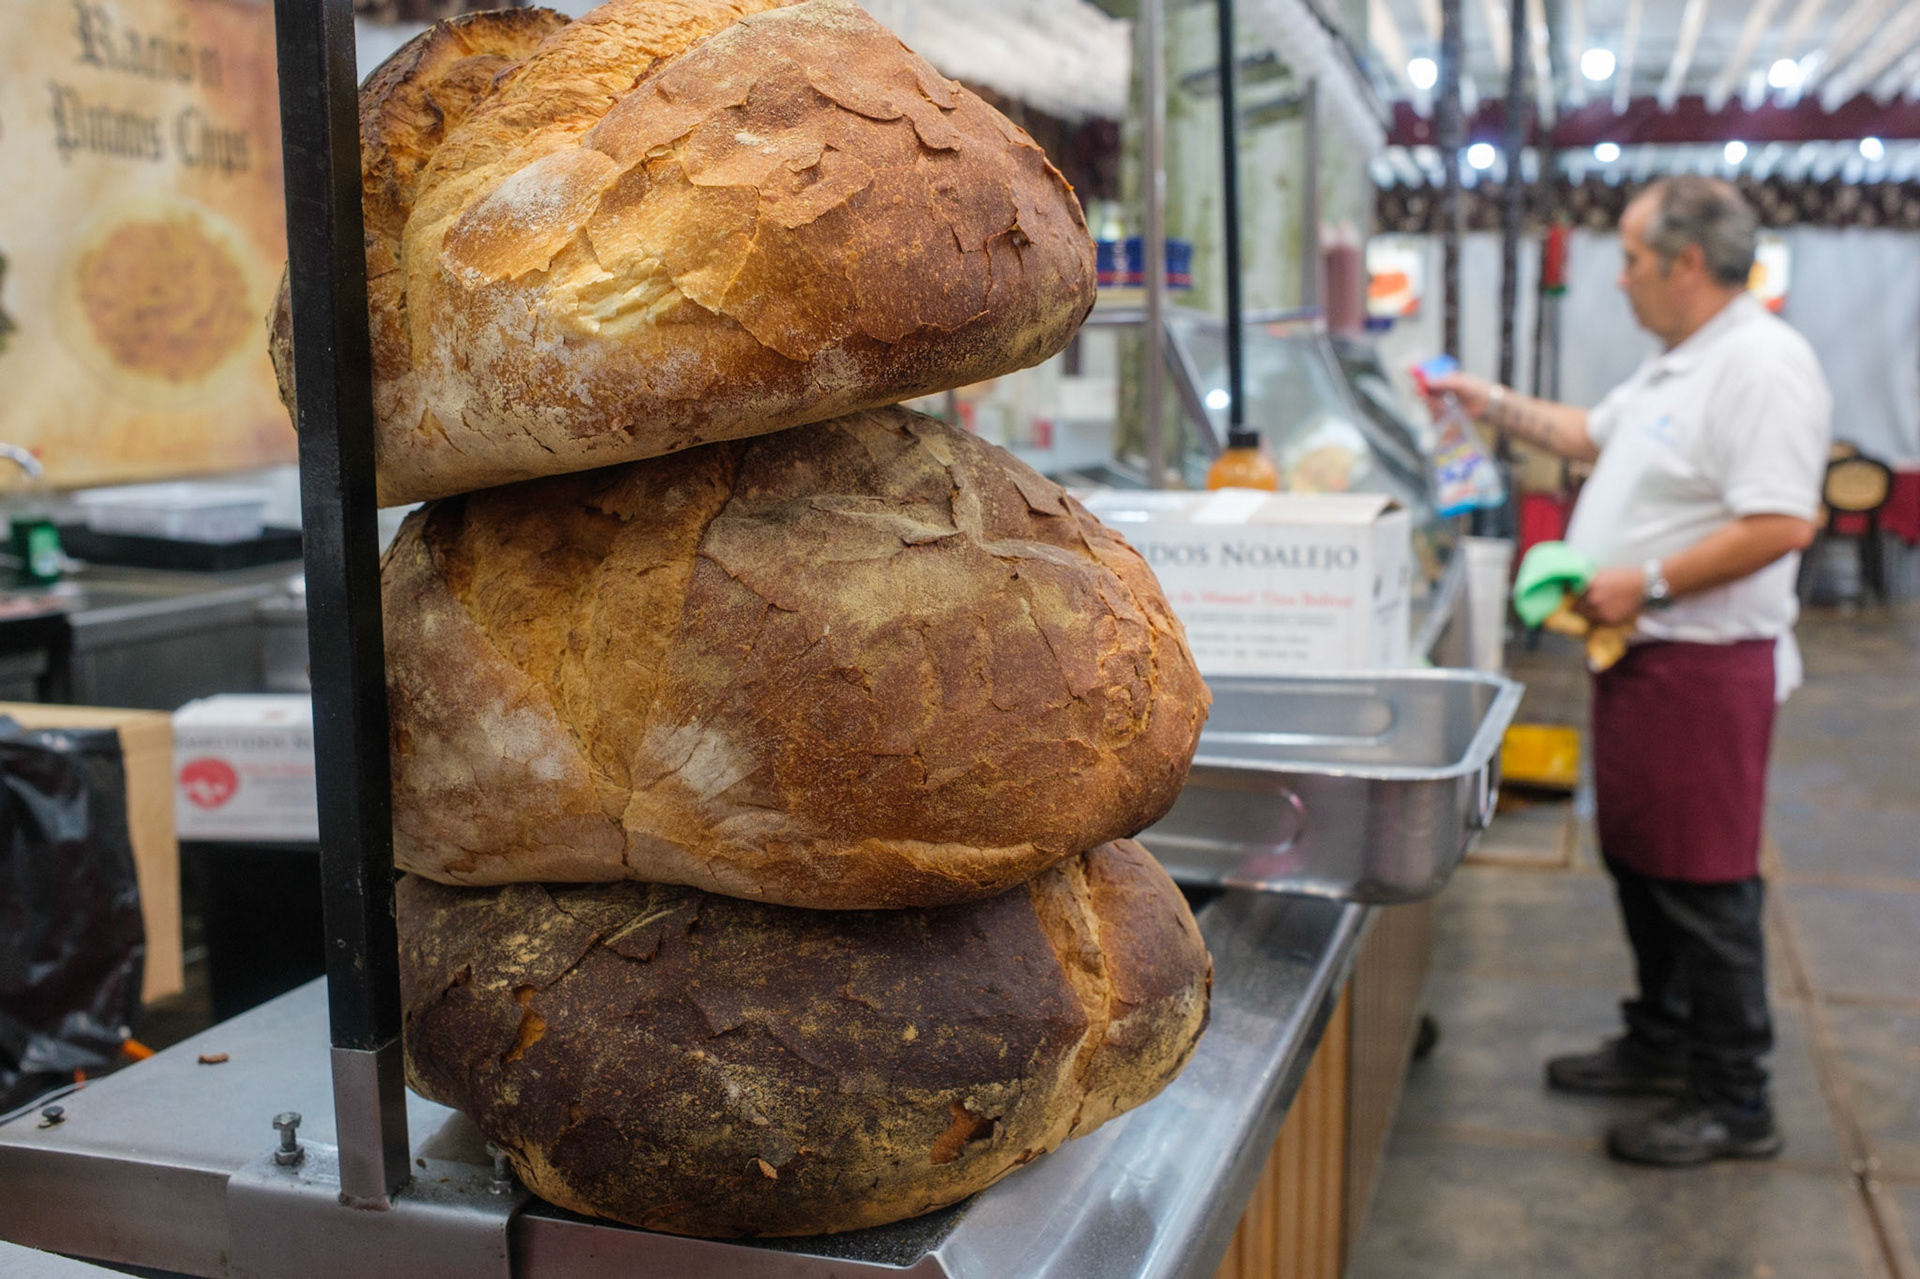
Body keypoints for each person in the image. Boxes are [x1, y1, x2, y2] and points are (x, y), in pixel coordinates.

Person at [1425, 175, 1831, 1167]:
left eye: (1634, 260)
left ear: (1688, 264)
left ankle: (1737, 1096)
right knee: (1643, 862)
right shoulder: (1678, 364)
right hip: (1644, 663)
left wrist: (1643, 580)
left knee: (1705, 881)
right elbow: (1585, 436)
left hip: (1704, 668)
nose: (1619, 280)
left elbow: (1783, 521)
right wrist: (1489, 403)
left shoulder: (1762, 366)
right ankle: (1663, 1039)